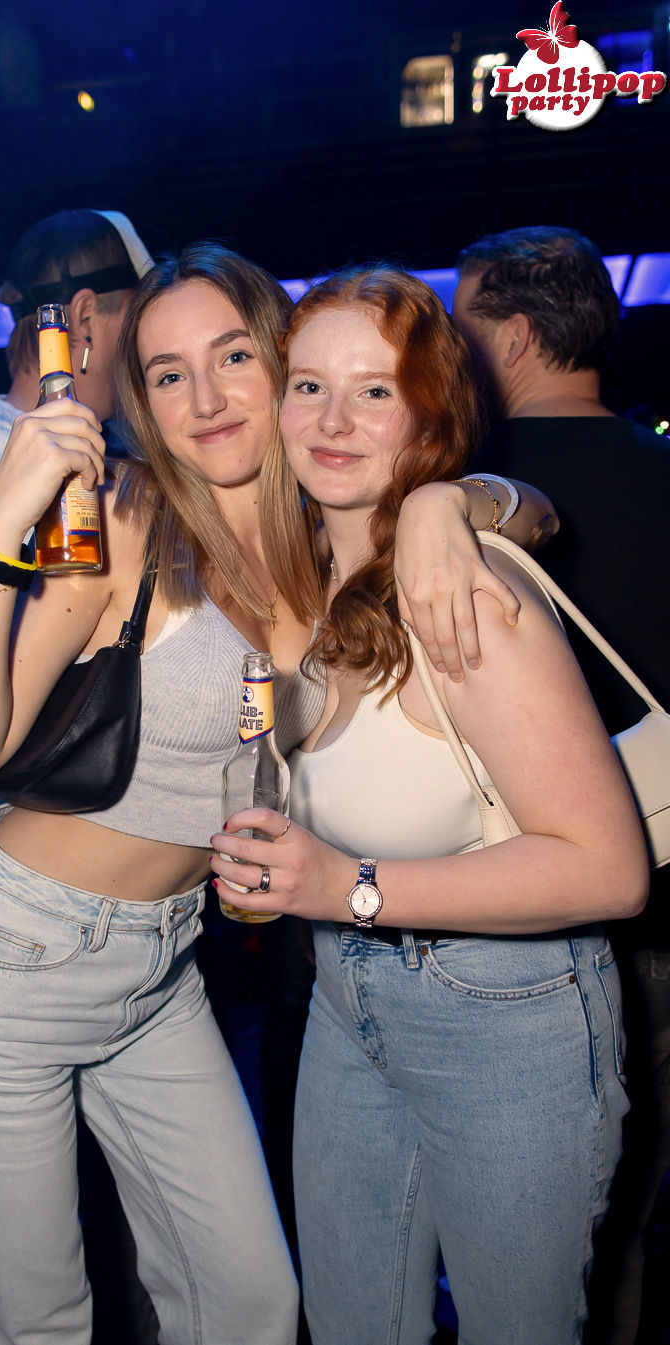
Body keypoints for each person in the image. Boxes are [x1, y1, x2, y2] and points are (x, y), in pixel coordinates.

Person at [0, 243, 548, 1345]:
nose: (204, 399)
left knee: (249, 1302)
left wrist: (455, 499)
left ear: (283, 360)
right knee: (33, 1324)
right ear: (142, 400)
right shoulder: (128, 521)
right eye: (167, 373)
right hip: (10, 958)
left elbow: (541, 515)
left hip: (164, 965)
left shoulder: (330, 534)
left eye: (234, 356)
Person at [210, 264, 650, 1345]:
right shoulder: (303, 581)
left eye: (375, 390)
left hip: (507, 1017)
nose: (333, 420)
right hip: (348, 1003)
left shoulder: (465, 594)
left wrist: (346, 886)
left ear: (430, 413)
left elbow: (609, 868)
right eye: (310, 386)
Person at [452, 225, 670, 1345]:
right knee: (625, 1216)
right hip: (669, 890)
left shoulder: (462, 498)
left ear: (516, 340)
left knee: (510, 1229)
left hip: (523, 914)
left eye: (462, 329)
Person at [0, 206, 154, 892]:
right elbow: (39, 676)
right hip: (0, 882)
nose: (147, 348)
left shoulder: (76, 446)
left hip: (61, 871)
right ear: (84, 318)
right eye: (136, 319)